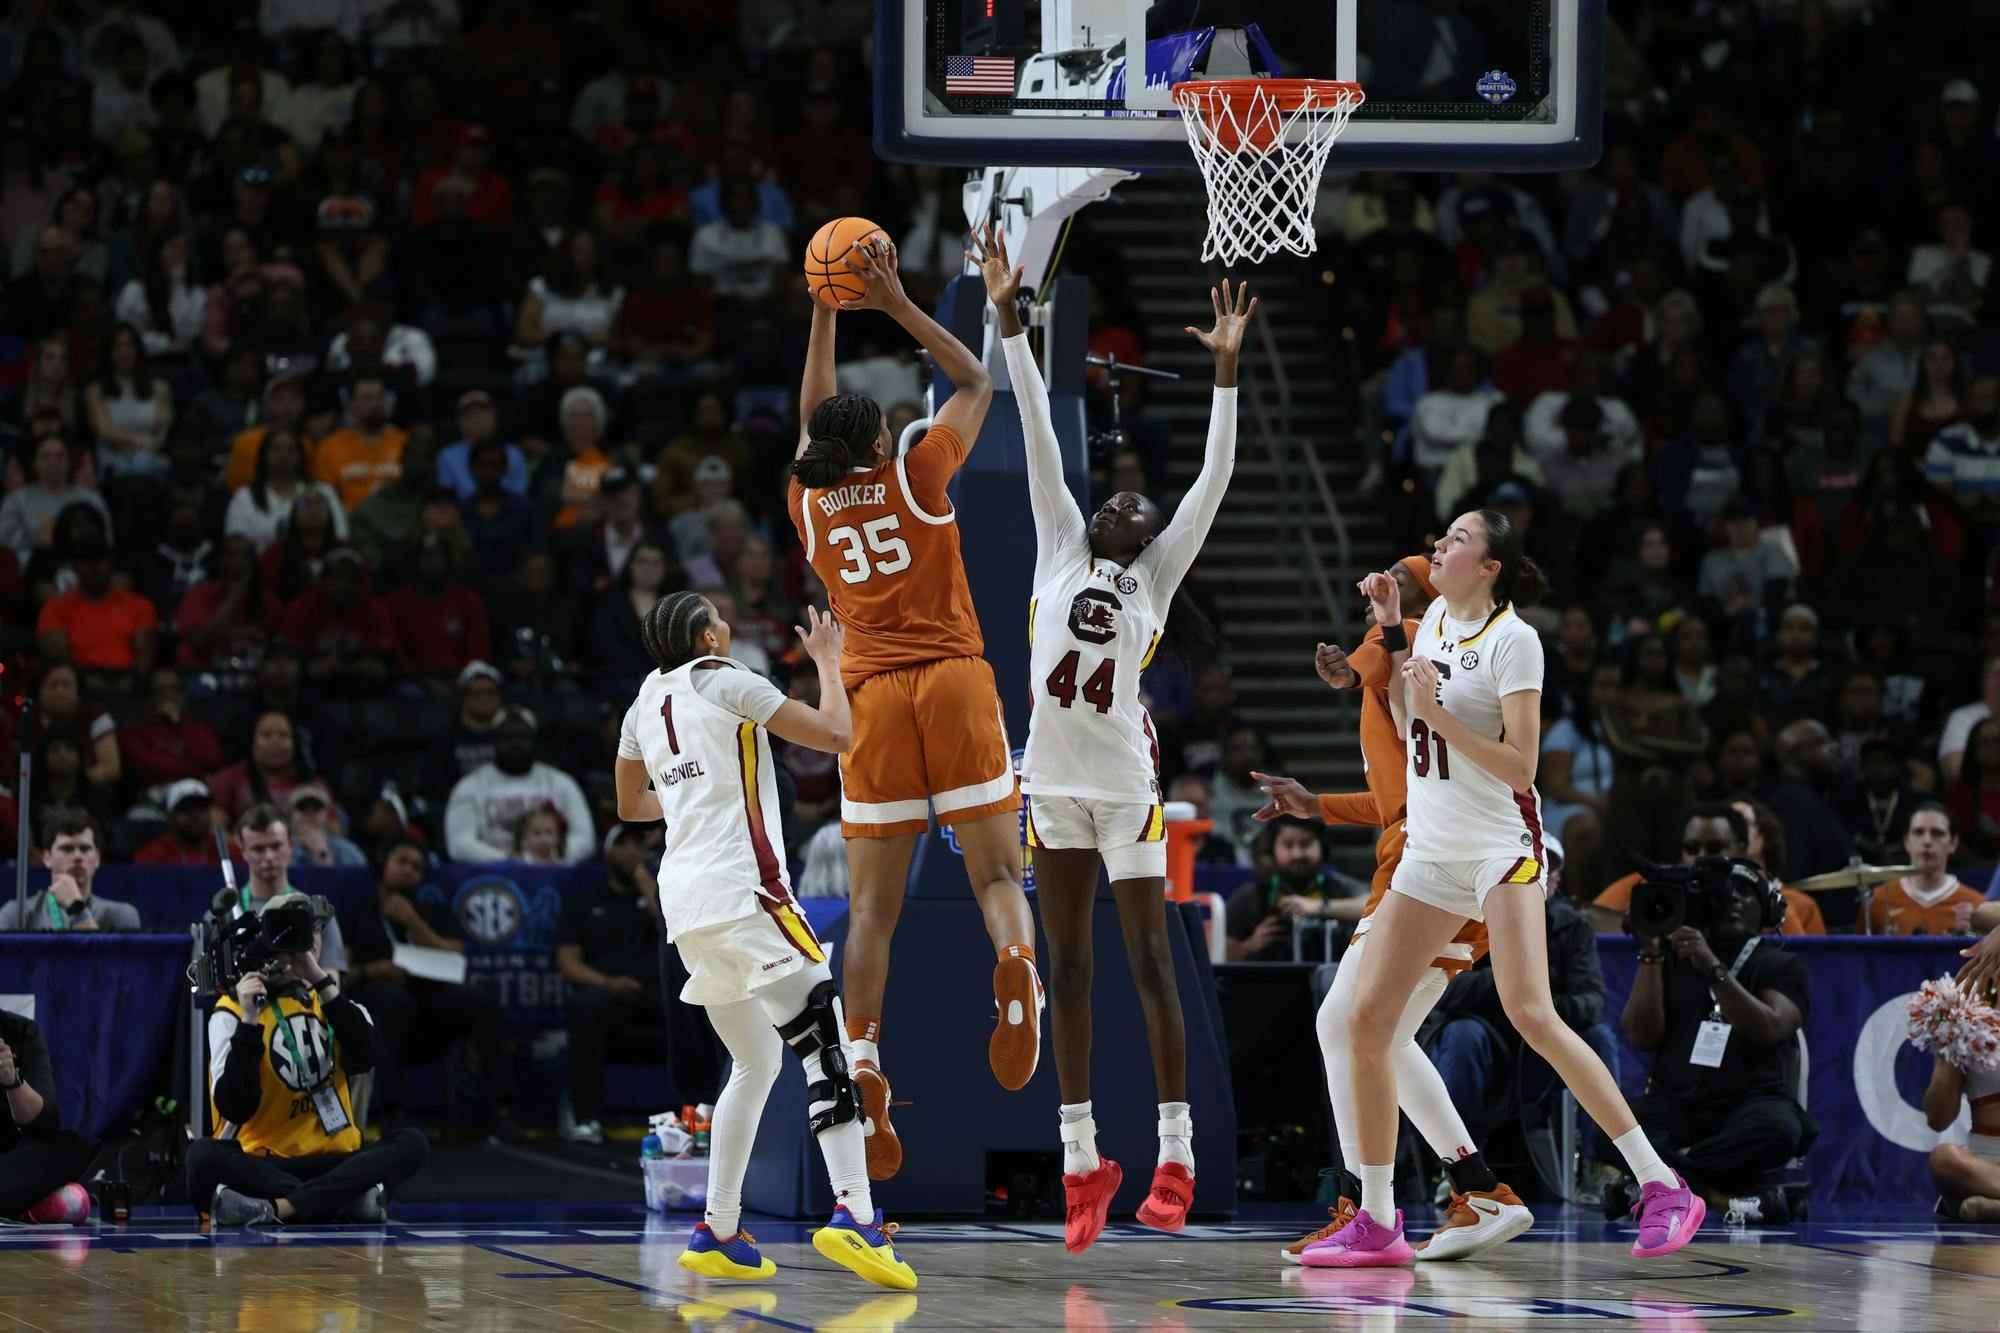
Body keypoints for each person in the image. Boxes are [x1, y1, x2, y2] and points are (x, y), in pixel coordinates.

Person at [1321, 509, 1702, 1268]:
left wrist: (1431, 709)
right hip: (1430, 853)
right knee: (1363, 1023)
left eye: (1457, 539)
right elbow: (1410, 724)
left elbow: (1522, 766)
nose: (1439, 546)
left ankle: (1663, 1185)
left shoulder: (1514, 640)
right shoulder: (1428, 629)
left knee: (1532, 1012)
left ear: (1489, 565)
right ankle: (1375, 1215)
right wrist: (1395, 637)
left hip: (1501, 849)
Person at [975, 228, 1239, 1248]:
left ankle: (1173, 1152)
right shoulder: (1054, 543)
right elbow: (1038, 423)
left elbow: (1212, 478)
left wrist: (1222, 370)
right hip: (1051, 789)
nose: (1127, 499)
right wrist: (1008, 316)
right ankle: (1081, 1160)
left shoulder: (1154, 577)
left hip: (1127, 790)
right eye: (1116, 493)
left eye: (1141, 502)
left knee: (1151, 967)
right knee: (1068, 975)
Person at [785, 235, 1037, 1182]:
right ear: (886, 438)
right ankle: (1015, 968)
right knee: (995, 880)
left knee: (873, 912)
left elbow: (817, 417)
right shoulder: (919, 474)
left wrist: (824, 304)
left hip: (872, 699)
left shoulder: (809, 506)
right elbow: (975, 379)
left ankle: (861, 1055)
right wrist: (887, 302)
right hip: (957, 680)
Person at [613, 591, 915, 1289]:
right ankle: (856, 1214)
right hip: (746, 890)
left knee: (753, 1064)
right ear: (707, 635)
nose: (728, 623)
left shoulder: (642, 703)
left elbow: (630, 806)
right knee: (825, 1045)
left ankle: (718, 1228)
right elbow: (838, 735)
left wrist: (697, 794)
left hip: (685, 904)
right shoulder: (730, 678)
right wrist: (829, 663)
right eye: (718, 617)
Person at [1254, 557, 1530, 1266]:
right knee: (1377, 1031)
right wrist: (1318, 805)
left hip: (1430, 864)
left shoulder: (1415, 640)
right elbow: (1389, 799)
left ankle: (1372, 1210)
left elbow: (1368, 657)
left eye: (1406, 582)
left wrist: (1353, 663)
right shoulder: (1416, 660)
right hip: (1435, 852)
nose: (1389, 589)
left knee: (1355, 1025)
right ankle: (1474, 1187)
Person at [187, 892, 430, 1226]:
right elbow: (236, 1107)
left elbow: (366, 1058)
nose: (305, 940)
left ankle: (281, 1207)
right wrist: (249, 1020)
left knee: (412, 1142)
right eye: (287, 931)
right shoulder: (230, 1013)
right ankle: (344, 1201)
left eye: (313, 930)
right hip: (267, 1162)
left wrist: (319, 979)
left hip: (337, 1159)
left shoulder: (338, 1004)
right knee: (202, 1156)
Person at [1611, 857, 1813, 1226]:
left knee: (1780, 1130)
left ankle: (1665, 1184)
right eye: (1725, 893)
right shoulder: (1672, 956)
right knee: (1607, 1128)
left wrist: (1713, 968)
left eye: (1747, 893)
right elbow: (1641, 1035)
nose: (1733, 899)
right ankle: (1718, 1199)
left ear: (1769, 908)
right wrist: (1651, 952)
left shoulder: (1781, 964)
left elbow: (1769, 1027)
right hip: (1678, 1104)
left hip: (1750, 1103)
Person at [345, 838, 522, 1143]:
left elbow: (455, 955)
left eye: (416, 867)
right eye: (402, 861)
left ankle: (500, 1110)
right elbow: (341, 970)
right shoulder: (359, 913)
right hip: (380, 998)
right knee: (392, 1000)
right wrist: (371, 970)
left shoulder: (431, 911)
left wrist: (412, 920)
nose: (408, 871)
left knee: (481, 1004)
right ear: (384, 864)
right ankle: (392, 1111)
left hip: (429, 996)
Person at [443, 708, 594, 864]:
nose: (515, 742)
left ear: (534, 741)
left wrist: (549, 859)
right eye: (507, 737)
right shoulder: (469, 786)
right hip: (492, 876)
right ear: (494, 741)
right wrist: (512, 862)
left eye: (522, 737)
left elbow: (584, 839)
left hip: (552, 872)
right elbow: (459, 845)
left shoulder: (561, 783)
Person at [1223, 818, 1368, 963]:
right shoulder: (1249, 895)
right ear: (1272, 850)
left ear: (1322, 848)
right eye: (1288, 845)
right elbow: (1221, 956)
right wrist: (1249, 946)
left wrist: (1319, 906)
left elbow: (1375, 906)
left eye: (1306, 844)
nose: (1297, 854)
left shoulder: (1339, 886)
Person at [0, 1003, 92, 1223]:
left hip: (9, 1156)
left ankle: (21, 1204)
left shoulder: (19, 1032)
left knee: (72, 1146)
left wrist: (12, 1081)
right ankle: (32, 1206)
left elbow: (45, 1122)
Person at [233, 805, 349, 978]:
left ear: (291, 846)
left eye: (276, 846)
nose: (269, 857)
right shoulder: (227, 915)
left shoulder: (316, 912)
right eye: (258, 849)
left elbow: (333, 982)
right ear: (243, 852)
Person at [0, 813, 140, 932]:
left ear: (97, 858)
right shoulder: (17, 913)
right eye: (67, 848)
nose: (78, 856)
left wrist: (77, 909)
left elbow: (100, 964)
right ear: (47, 858)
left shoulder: (122, 914)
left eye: (85, 849)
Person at [1870, 804, 1982, 936]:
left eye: (1937, 833)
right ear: (1906, 841)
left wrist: (1972, 934)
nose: (1927, 841)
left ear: (1953, 843)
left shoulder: (1976, 905)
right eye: (1918, 832)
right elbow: (1858, 955)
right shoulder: (1879, 899)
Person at [134, 779, 232, 866]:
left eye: (201, 808)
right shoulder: (151, 856)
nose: (195, 815)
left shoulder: (226, 851)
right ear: (170, 816)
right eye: (186, 809)